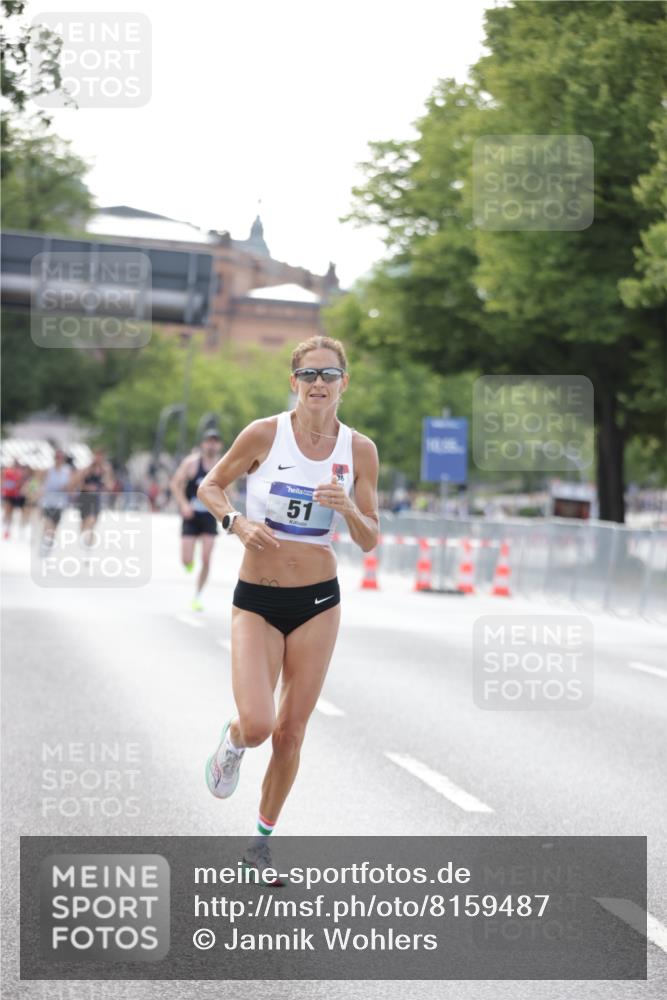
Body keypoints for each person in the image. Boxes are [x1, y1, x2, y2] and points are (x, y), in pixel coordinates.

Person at [197, 335, 379, 880]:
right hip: (257, 598)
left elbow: (370, 538)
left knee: (290, 732)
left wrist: (347, 507)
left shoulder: (359, 450)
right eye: (308, 375)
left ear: (344, 383)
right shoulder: (264, 434)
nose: (318, 384)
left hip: (318, 602)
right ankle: (231, 742)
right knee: (257, 724)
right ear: (293, 381)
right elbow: (212, 485)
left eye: (329, 375)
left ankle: (260, 843)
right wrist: (235, 522)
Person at [170, 430, 224, 611]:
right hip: (191, 515)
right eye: (209, 441)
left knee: (207, 559)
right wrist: (183, 505)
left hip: (209, 516)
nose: (212, 445)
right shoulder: (192, 463)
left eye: (215, 442)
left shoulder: (222, 465)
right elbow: (175, 484)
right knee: (186, 559)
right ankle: (189, 562)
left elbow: (228, 491)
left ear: (220, 445)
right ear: (203, 444)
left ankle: (198, 596)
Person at [69, 449, 115, 548]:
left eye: (101, 456)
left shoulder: (105, 470)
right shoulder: (87, 469)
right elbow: (77, 483)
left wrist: (105, 487)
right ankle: (84, 540)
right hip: (84, 498)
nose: (99, 458)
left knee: (92, 521)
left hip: (96, 499)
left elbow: (110, 485)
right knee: (83, 523)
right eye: (97, 456)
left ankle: (89, 543)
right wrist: (87, 488)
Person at [38, 448, 75, 556]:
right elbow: (41, 484)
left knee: (54, 526)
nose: (59, 459)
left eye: (61, 458)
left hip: (60, 503)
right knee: (48, 523)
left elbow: (71, 486)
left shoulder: (67, 471)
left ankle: (48, 544)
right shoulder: (48, 471)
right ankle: (45, 542)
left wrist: (69, 490)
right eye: (57, 457)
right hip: (48, 501)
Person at [2, 460, 26, 539]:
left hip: (14, 495)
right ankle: (5, 527)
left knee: (11, 512)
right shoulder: (7, 471)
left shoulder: (19, 473)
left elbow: (20, 484)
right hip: (7, 494)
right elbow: (3, 480)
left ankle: (8, 529)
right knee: (7, 510)